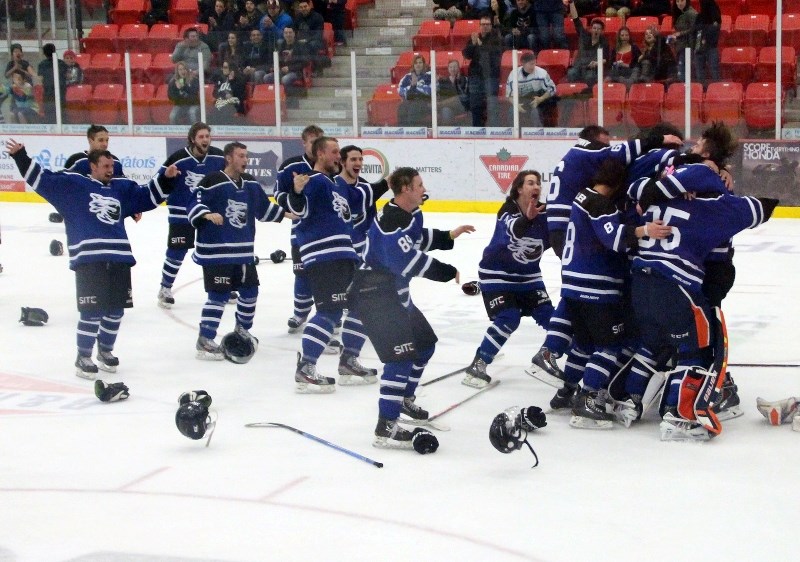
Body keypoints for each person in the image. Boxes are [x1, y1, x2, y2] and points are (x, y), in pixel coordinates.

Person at [623, 125, 779, 440]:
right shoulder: (715, 201)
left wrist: (671, 183)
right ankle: (679, 415)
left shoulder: (666, 189)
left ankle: (627, 400)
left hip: (640, 279)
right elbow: (760, 208)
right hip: (681, 283)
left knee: (650, 344)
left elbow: (637, 189)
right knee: (698, 348)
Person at [4, 139, 179, 379]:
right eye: (106, 166)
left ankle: (105, 351)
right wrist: (20, 156)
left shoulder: (121, 188)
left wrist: (167, 178)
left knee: (116, 311)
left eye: (112, 166)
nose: (110, 170)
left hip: (119, 257)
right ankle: (83, 355)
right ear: (92, 167)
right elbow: (42, 180)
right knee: (92, 312)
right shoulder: (74, 185)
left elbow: (147, 197)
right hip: (89, 259)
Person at [346, 167, 474, 448]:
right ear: (405, 189)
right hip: (376, 294)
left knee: (425, 344)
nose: (423, 188)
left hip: (395, 294)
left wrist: (448, 236)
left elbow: (416, 238)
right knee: (399, 359)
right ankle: (386, 427)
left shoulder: (408, 214)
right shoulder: (391, 221)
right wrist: (445, 271)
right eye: (419, 184)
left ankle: (403, 398)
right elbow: (407, 261)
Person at [559, 159, 672, 428]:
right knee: (610, 346)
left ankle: (565, 394)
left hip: (572, 285)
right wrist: (645, 230)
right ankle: (588, 401)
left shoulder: (582, 195)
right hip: (595, 287)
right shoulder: (601, 203)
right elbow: (614, 239)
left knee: (584, 344)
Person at [285, 137, 375, 392]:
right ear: (320, 154)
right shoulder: (312, 181)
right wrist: (296, 192)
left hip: (343, 256)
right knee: (330, 312)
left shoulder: (336, 185)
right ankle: (306, 367)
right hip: (324, 257)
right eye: (335, 152)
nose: (339, 156)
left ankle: (349, 360)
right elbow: (297, 209)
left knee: (362, 306)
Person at [188, 141, 289, 359]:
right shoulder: (212, 181)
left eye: (246, 156)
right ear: (229, 158)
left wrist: (286, 213)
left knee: (251, 292)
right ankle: (205, 339)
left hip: (243, 251)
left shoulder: (250, 184)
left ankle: (242, 330)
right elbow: (194, 202)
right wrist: (206, 214)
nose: (245, 160)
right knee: (219, 295)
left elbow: (263, 209)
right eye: (241, 156)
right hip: (217, 251)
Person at [464, 170, 553, 388]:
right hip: (497, 274)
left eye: (538, 183)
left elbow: (555, 238)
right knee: (509, 317)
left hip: (529, 276)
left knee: (553, 318)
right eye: (530, 182)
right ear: (519, 188)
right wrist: (527, 219)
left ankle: (557, 359)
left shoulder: (545, 213)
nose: (536, 187)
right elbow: (514, 229)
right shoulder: (508, 209)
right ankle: (478, 364)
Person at [157, 122, 226, 309]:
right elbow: (159, 181)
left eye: (207, 136)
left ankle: (219, 285)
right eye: (201, 137)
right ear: (192, 139)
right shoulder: (178, 158)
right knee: (177, 250)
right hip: (181, 211)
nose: (205, 140)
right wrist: (167, 176)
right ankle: (165, 287)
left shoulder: (218, 157)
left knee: (214, 248)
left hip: (206, 211)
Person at [275, 124, 324, 335]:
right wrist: (292, 204)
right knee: (302, 272)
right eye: (312, 142)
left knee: (328, 274)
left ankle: (329, 313)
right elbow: (278, 194)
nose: (316, 146)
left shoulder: (332, 164)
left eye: (319, 141)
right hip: (301, 231)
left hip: (328, 230)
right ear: (304, 143)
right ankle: (300, 313)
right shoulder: (290, 166)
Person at [463, 15, 503, 127]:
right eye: (483, 24)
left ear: (491, 26)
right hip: (475, 75)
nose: (485, 27)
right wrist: (473, 44)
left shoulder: (496, 38)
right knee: (475, 105)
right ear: (479, 26)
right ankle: (477, 130)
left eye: (487, 24)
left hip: (491, 75)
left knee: (492, 105)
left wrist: (480, 45)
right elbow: (466, 54)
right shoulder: (475, 38)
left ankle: (494, 130)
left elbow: (493, 55)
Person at [505, 51, 558, 127]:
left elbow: (552, 89)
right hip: (522, 100)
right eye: (531, 64)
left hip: (538, 100)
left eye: (534, 63)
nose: (533, 66)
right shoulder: (514, 74)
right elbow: (509, 95)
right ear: (523, 63)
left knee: (535, 113)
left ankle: (537, 134)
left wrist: (541, 98)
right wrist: (516, 104)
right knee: (512, 112)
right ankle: (515, 134)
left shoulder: (541, 73)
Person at [565, 1, 609, 88]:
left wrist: (597, 63)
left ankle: (587, 95)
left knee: (590, 77)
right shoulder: (584, 35)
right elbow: (576, 20)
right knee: (571, 73)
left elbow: (606, 59)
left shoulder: (604, 42)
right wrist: (571, 3)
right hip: (578, 66)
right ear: (591, 28)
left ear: (602, 31)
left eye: (599, 29)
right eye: (594, 28)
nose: (596, 30)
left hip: (591, 68)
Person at [265, 26, 310, 106]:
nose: (288, 35)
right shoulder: (280, 45)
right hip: (282, 71)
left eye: (290, 32)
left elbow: (305, 62)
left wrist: (289, 68)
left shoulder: (300, 45)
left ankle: (290, 102)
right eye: (286, 33)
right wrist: (275, 67)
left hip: (296, 72)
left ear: (294, 34)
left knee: (285, 79)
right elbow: (276, 59)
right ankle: (272, 101)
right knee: (267, 77)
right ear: (283, 34)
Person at [397, 55, 433, 127]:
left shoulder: (429, 75)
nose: (418, 64)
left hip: (425, 102)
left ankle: (413, 132)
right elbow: (400, 90)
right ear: (413, 65)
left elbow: (430, 90)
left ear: (424, 64)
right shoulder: (407, 77)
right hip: (410, 100)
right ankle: (403, 132)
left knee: (414, 107)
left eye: (420, 62)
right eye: (416, 63)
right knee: (401, 107)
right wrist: (413, 87)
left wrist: (414, 87)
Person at [293, 0, 327, 72]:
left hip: (317, 41)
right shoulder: (297, 17)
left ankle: (317, 68)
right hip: (301, 40)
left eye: (305, 6)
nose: (303, 9)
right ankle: (298, 70)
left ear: (310, 6)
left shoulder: (318, 17)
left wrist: (306, 40)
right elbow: (294, 31)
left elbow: (318, 34)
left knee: (312, 45)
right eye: (301, 7)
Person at [37, 43, 67, 125]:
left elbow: (40, 79)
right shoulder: (61, 63)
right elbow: (67, 76)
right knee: (61, 112)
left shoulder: (42, 64)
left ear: (44, 53)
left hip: (48, 92)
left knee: (49, 113)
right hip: (61, 92)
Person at [693, 0, 722, 85]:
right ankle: (701, 92)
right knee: (700, 73)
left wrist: (703, 30)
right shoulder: (699, 17)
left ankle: (716, 92)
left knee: (714, 72)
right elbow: (694, 30)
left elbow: (714, 30)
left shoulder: (715, 15)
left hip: (711, 47)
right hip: (699, 48)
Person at [669, 0, 697, 81]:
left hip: (688, 47)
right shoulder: (680, 13)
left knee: (683, 73)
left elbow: (695, 29)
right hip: (681, 46)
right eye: (677, 1)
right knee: (681, 72)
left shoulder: (691, 13)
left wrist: (680, 34)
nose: (679, 3)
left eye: (682, 1)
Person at [437, 59, 470, 126]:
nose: (453, 69)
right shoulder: (443, 81)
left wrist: (457, 82)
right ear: (448, 69)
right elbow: (441, 96)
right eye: (451, 67)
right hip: (447, 107)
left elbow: (463, 96)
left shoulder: (464, 79)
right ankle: (446, 134)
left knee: (456, 98)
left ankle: (441, 104)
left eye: (455, 67)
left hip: (460, 106)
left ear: (458, 68)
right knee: (446, 112)